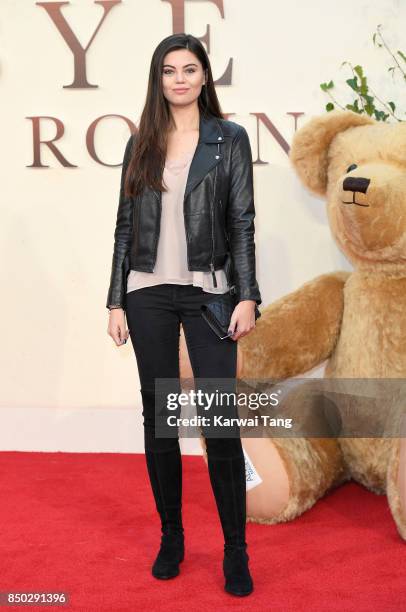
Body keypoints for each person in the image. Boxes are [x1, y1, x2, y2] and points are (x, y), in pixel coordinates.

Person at [106, 33, 262, 597]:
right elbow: (125, 227)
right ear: (159, 78)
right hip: (147, 293)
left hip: (210, 294)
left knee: (220, 423)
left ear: (203, 76)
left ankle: (235, 550)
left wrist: (247, 295)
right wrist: (116, 298)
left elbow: (242, 220)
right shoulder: (141, 143)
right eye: (169, 70)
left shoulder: (230, 139)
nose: (179, 78)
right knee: (160, 422)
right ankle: (172, 537)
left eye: (189, 68)